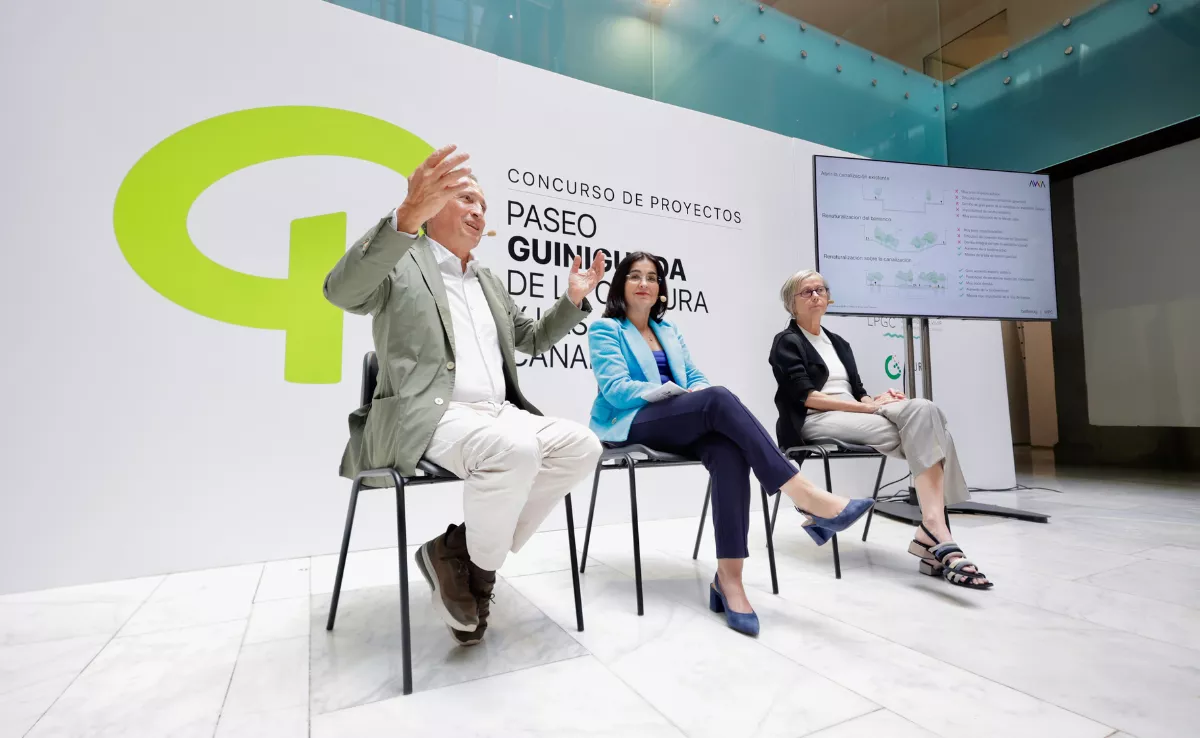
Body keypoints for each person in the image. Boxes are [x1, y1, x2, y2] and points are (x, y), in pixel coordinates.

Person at [323, 145, 605, 646]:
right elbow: (340, 292)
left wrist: (573, 302)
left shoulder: (488, 280)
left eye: (484, 207)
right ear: (433, 208)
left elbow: (530, 340)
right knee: (515, 452)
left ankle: (457, 552)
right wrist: (404, 218)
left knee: (584, 446)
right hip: (431, 416)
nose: (478, 212)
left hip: (498, 414)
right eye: (467, 199)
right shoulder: (401, 259)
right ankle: (481, 572)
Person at [588, 252, 875, 636]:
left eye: (653, 278)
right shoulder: (606, 329)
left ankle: (729, 579)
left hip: (674, 419)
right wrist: (675, 395)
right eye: (636, 276)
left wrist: (694, 393)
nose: (645, 284)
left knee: (728, 450)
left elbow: (694, 375)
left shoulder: (668, 331)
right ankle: (805, 495)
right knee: (719, 399)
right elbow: (617, 390)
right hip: (631, 421)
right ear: (621, 284)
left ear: (661, 289)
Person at [769, 269, 993, 590]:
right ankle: (936, 533)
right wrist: (868, 407)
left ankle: (932, 527)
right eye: (807, 292)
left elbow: (858, 391)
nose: (816, 295)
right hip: (815, 420)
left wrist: (878, 399)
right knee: (931, 436)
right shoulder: (787, 342)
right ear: (792, 304)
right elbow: (808, 398)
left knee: (924, 410)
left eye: (821, 289)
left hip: (856, 415)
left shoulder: (839, 343)